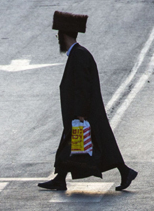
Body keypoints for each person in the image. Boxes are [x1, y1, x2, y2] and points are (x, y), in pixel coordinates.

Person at [38, 11, 138, 192]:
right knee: (90, 145)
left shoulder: (79, 55)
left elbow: (82, 87)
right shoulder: (78, 54)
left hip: (84, 113)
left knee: (94, 145)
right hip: (84, 112)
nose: (58, 40)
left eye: (58, 35)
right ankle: (61, 178)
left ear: (64, 35)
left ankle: (123, 171)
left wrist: (80, 113)